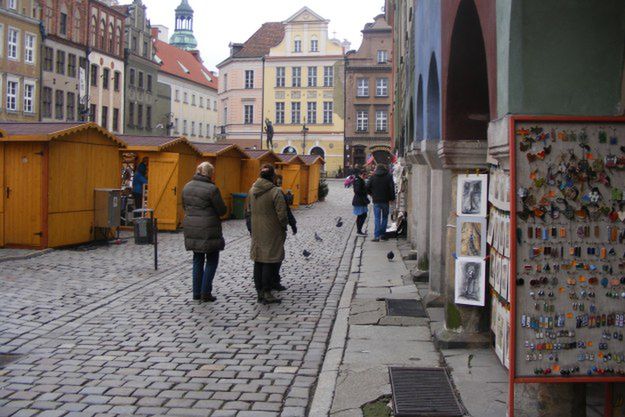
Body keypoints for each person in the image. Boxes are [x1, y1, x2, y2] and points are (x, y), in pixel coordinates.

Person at [182, 162, 227, 302]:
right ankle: (205, 292)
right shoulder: (212, 189)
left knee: (197, 259)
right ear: (210, 174)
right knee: (212, 260)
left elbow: (184, 206)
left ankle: (196, 292)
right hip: (209, 228)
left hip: (191, 227)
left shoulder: (187, 187)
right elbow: (222, 210)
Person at [247, 164, 289, 304]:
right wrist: (284, 227)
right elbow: (282, 215)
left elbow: (247, 211)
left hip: (257, 230)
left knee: (258, 260)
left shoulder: (252, 190)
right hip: (272, 231)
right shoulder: (275, 192)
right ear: (272, 176)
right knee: (269, 261)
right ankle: (267, 292)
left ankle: (259, 291)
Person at [366, 163, 395, 242]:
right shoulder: (389, 176)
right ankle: (383, 235)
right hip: (385, 200)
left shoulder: (373, 176)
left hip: (376, 200)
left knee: (377, 218)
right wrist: (392, 198)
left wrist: (371, 194)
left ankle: (376, 236)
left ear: (376, 168)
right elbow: (391, 188)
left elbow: (367, 187)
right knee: (385, 218)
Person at [352, 168, 370, 236]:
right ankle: (359, 231)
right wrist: (365, 191)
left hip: (362, 200)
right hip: (359, 201)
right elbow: (357, 191)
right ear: (362, 174)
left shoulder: (360, 180)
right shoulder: (358, 180)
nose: (366, 177)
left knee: (363, 215)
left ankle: (359, 230)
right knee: (361, 215)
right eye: (365, 175)